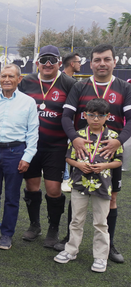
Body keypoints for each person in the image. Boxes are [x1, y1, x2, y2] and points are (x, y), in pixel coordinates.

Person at [60, 44, 131, 263]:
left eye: (106, 59)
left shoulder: (124, 87)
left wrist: (117, 141)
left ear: (114, 62)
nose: (102, 63)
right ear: (91, 63)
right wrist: (75, 138)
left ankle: (108, 247)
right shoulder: (80, 86)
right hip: (82, 151)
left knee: (110, 199)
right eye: (97, 60)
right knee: (77, 196)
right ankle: (70, 242)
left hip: (110, 153)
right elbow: (65, 117)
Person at [15, 46, 76, 247]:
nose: (48, 64)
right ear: (37, 63)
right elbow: (11, 99)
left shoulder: (69, 83)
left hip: (56, 146)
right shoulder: (27, 81)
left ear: (60, 62)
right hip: (30, 145)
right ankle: (34, 225)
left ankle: (53, 228)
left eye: (52, 60)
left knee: (53, 189)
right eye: (44, 60)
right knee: (31, 186)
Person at [54, 99, 122, 273]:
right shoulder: (78, 135)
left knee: (101, 223)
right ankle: (71, 250)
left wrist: (103, 166)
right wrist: (78, 165)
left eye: (100, 116)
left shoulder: (114, 138)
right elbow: (68, 158)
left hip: (102, 185)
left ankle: (100, 257)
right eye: (92, 115)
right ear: (85, 116)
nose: (96, 119)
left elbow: (118, 162)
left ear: (108, 116)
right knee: (76, 219)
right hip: (79, 184)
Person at [0, 64, 39, 250]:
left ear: (19, 79)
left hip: (15, 152)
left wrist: (27, 157)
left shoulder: (28, 102)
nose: (6, 79)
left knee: (12, 196)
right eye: (3, 76)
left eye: (11, 76)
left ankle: (7, 234)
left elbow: (33, 132)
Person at [61, 53, 81, 192]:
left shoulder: (74, 81)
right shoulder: (60, 80)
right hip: (58, 123)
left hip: (70, 123)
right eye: (79, 61)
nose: (81, 64)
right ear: (72, 64)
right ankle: (66, 178)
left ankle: (66, 177)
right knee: (64, 150)